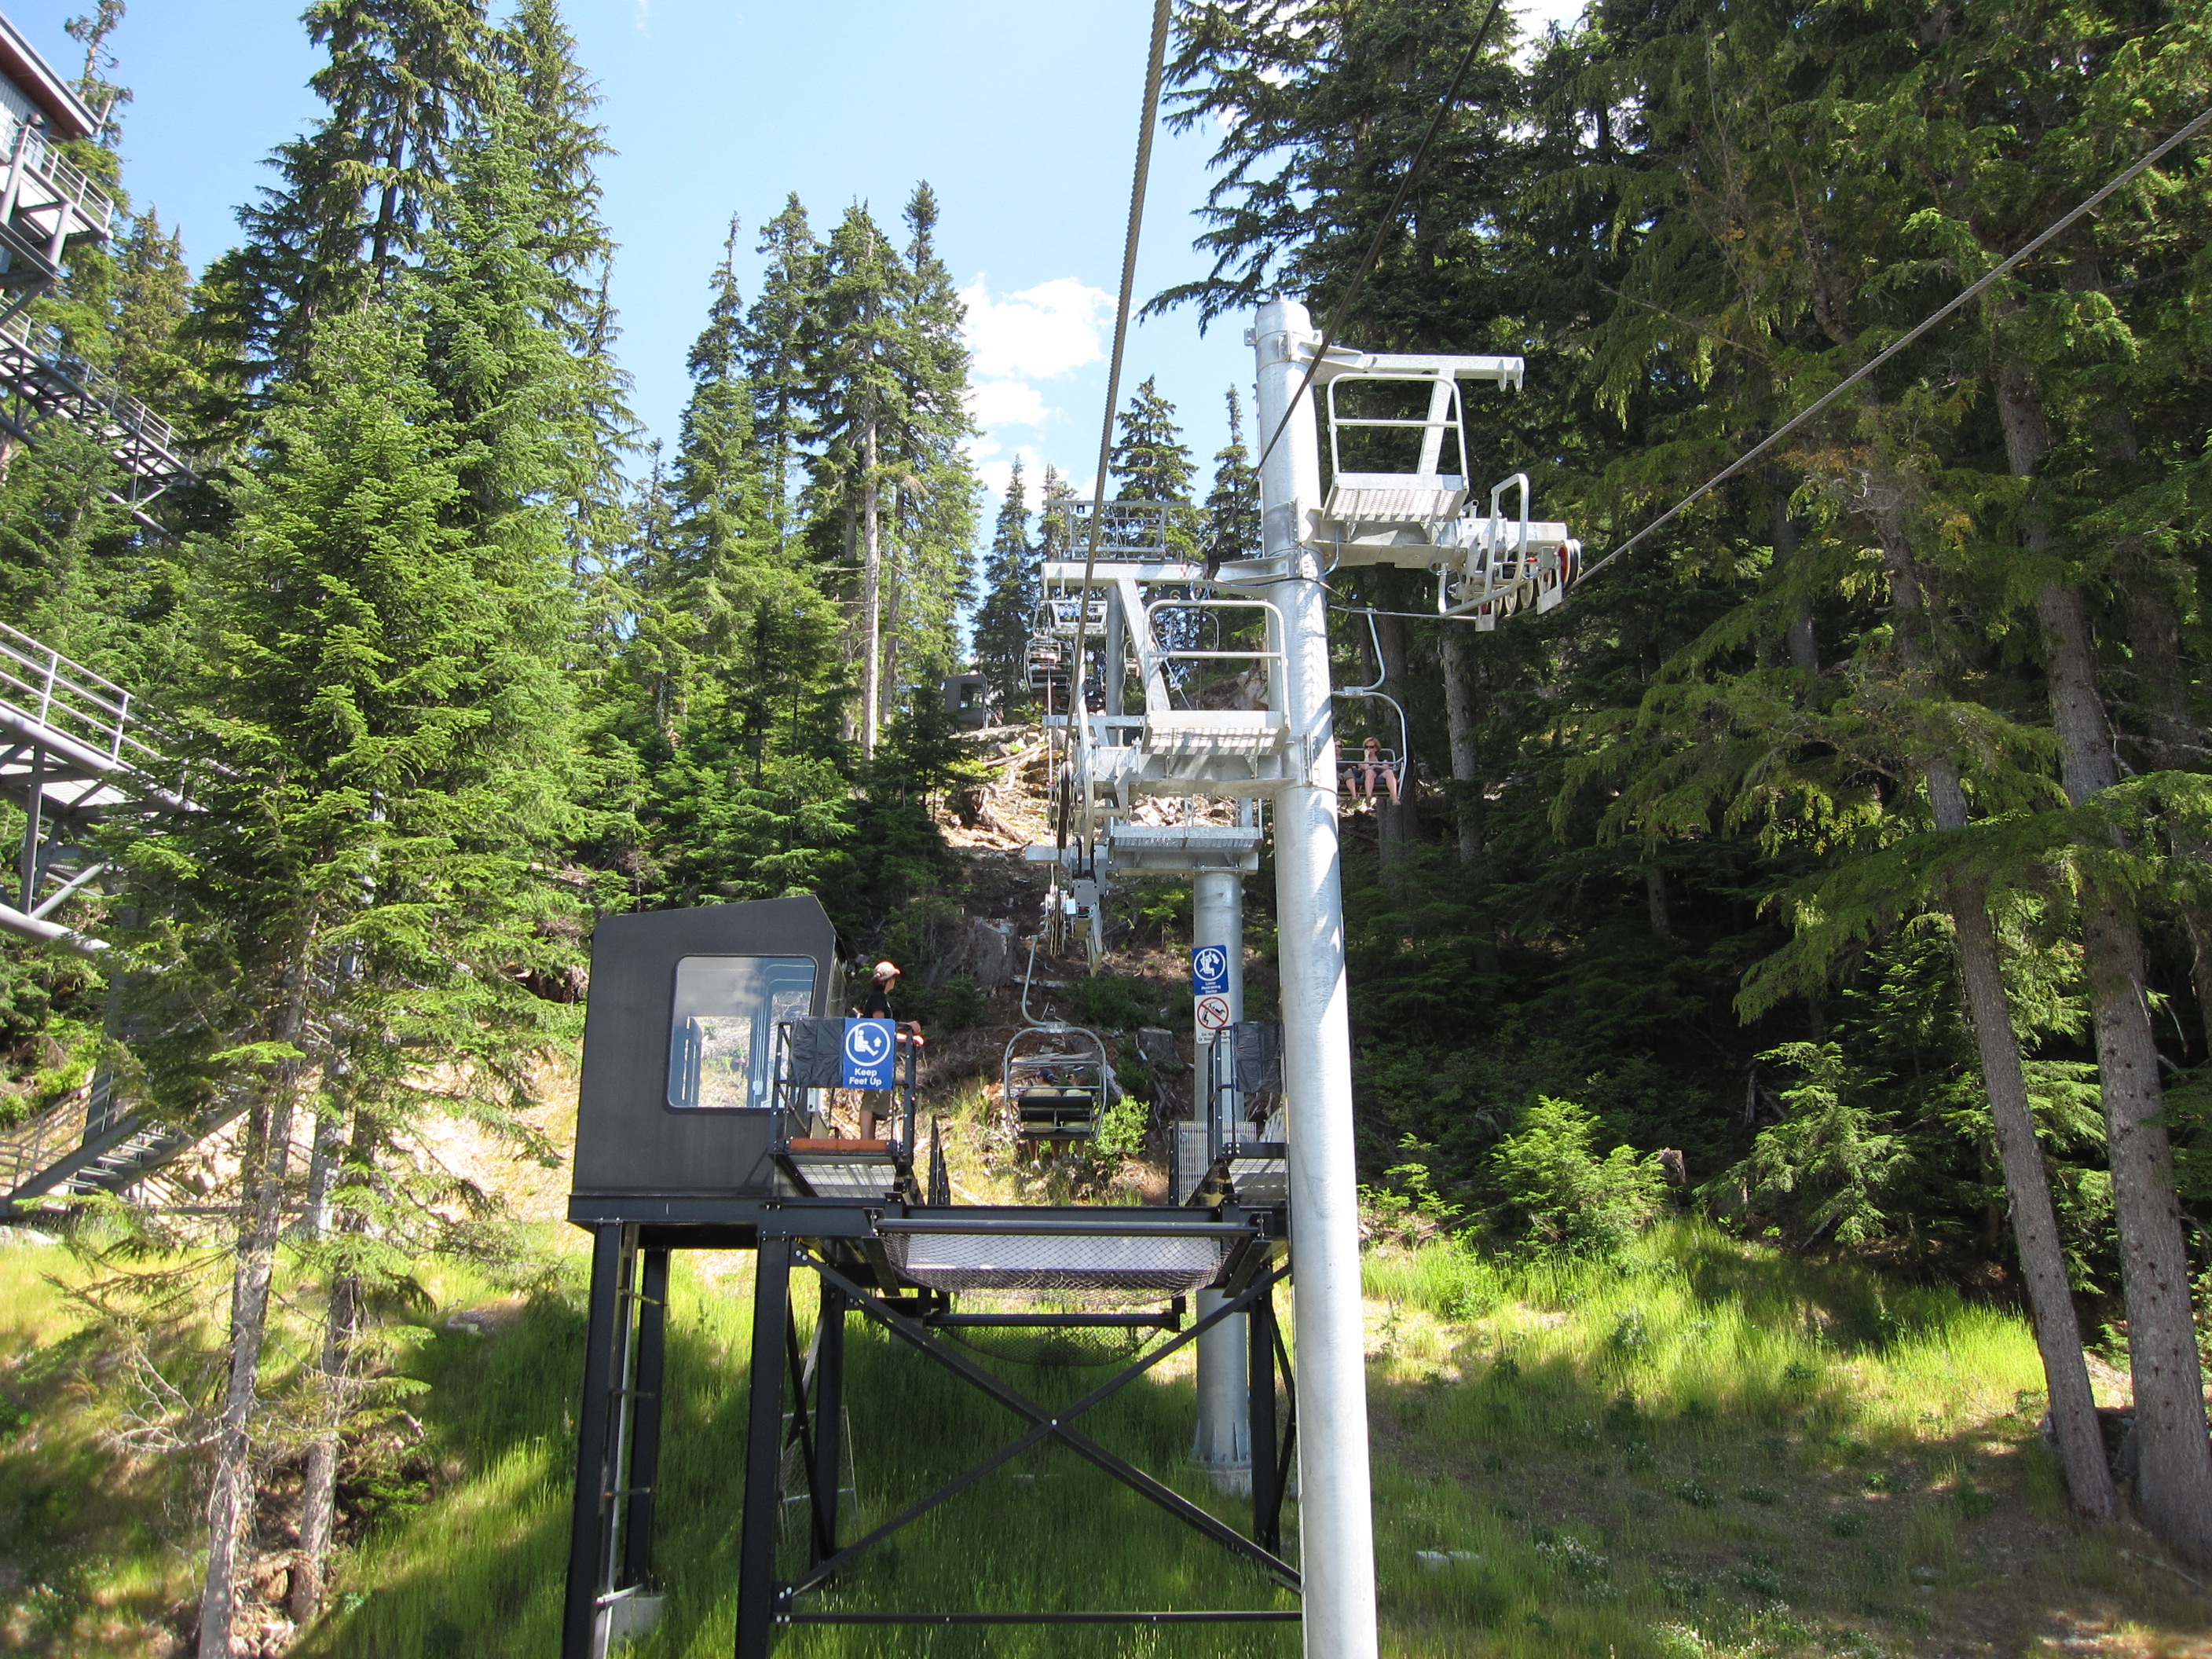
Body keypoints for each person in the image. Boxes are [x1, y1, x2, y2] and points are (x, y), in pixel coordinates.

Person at [853, 960, 924, 1141]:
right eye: (893, 978)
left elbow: (884, 1030)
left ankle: (869, 1140)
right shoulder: (878, 999)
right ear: (889, 980)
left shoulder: (878, 998)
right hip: (874, 1055)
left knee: (876, 1097)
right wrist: (908, 1035)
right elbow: (880, 1029)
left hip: (877, 1054)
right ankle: (865, 1141)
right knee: (872, 1096)